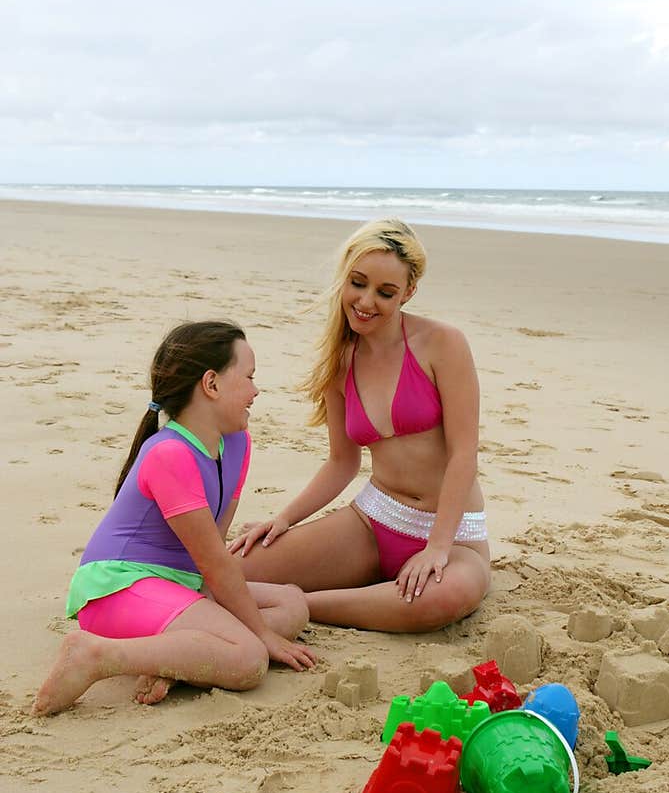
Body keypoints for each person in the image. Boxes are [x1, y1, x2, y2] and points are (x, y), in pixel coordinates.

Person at [32, 320, 313, 717]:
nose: (256, 391)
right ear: (211, 384)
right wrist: (262, 635)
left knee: (293, 603)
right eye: (249, 377)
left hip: (180, 584)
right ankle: (95, 654)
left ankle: (174, 662)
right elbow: (215, 563)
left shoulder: (237, 443)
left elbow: (213, 546)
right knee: (249, 658)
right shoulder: (169, 454)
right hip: (118, 589)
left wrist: (252, 622)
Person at [230, 218, 491, 631]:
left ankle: (300, 604)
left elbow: (464, 453)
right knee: (235, 569)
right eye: (358, 283)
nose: (367, 301)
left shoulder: (443, 343)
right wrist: (284, 520)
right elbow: (341, 463)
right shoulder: (341, 362)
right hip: (373, 522)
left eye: (386, 292)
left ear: (408, 292)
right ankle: (296, 599)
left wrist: (437, 548)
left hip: (454, 535)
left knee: (446, 597)